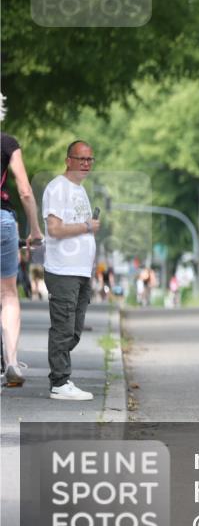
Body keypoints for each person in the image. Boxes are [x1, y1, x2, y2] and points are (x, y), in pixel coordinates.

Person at [41, 140, 99, 400]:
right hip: (63, 270)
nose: (86, 164)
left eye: (90, 160)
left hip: (80, 271)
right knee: (63, 328)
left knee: (74, 330)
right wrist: (87, 227)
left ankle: (61, 376)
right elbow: (54, 229)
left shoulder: (79, 190)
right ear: (68, 160)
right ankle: (59, 382)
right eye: (81, 159)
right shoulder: (58, 188)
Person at [1, 127, 44, 387]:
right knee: (8, 295)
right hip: (2, 221)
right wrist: (35, 230)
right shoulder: (7, 143)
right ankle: (12, 363)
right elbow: (25, 190)